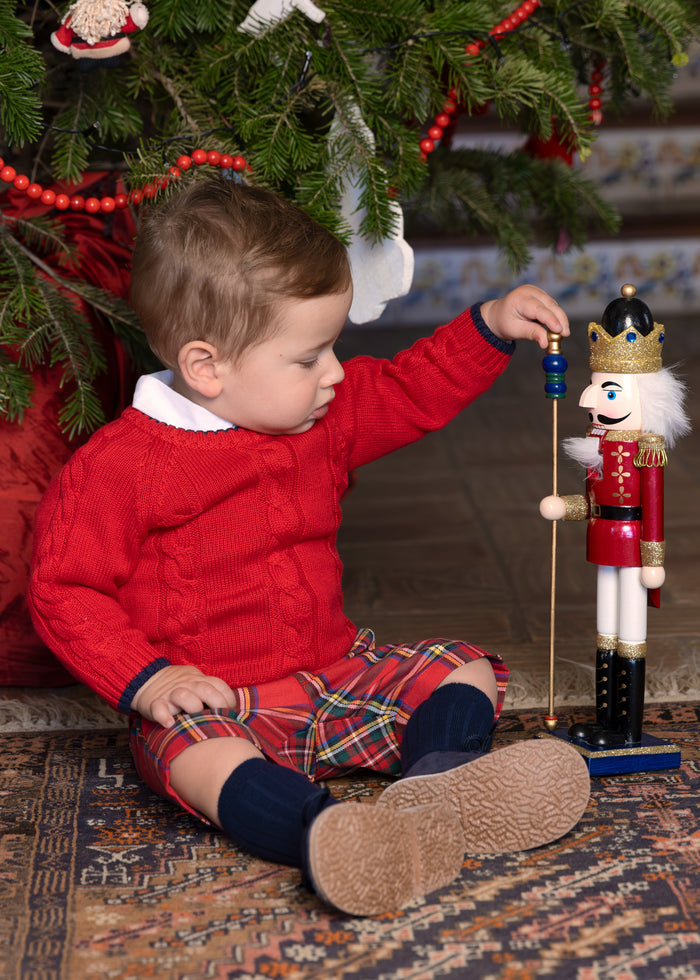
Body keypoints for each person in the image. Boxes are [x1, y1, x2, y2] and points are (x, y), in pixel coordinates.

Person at [29, 178, 590, 918]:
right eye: (309, 357)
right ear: (207, 368)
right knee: (199, 756)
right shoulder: (120, 466)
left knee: (462, 668)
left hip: (332, 678)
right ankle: (324, 830)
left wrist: (487, 325)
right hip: (217, 703)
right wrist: (150, 681)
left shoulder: (323, 416)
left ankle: (440, 788)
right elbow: (63, 590)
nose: (334, 373)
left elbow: (408, 389)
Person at [540, 284, 690, 748]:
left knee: (631, 630)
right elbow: (592, 501)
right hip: (603, 540)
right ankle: (605, 721)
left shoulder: (648, 450)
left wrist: (653, 558)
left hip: (633, 544)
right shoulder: (598, 447)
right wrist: (566, 507)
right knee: (605, 627)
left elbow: (654, 507)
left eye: (606, 390)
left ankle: (627, 730)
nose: (588, 400)